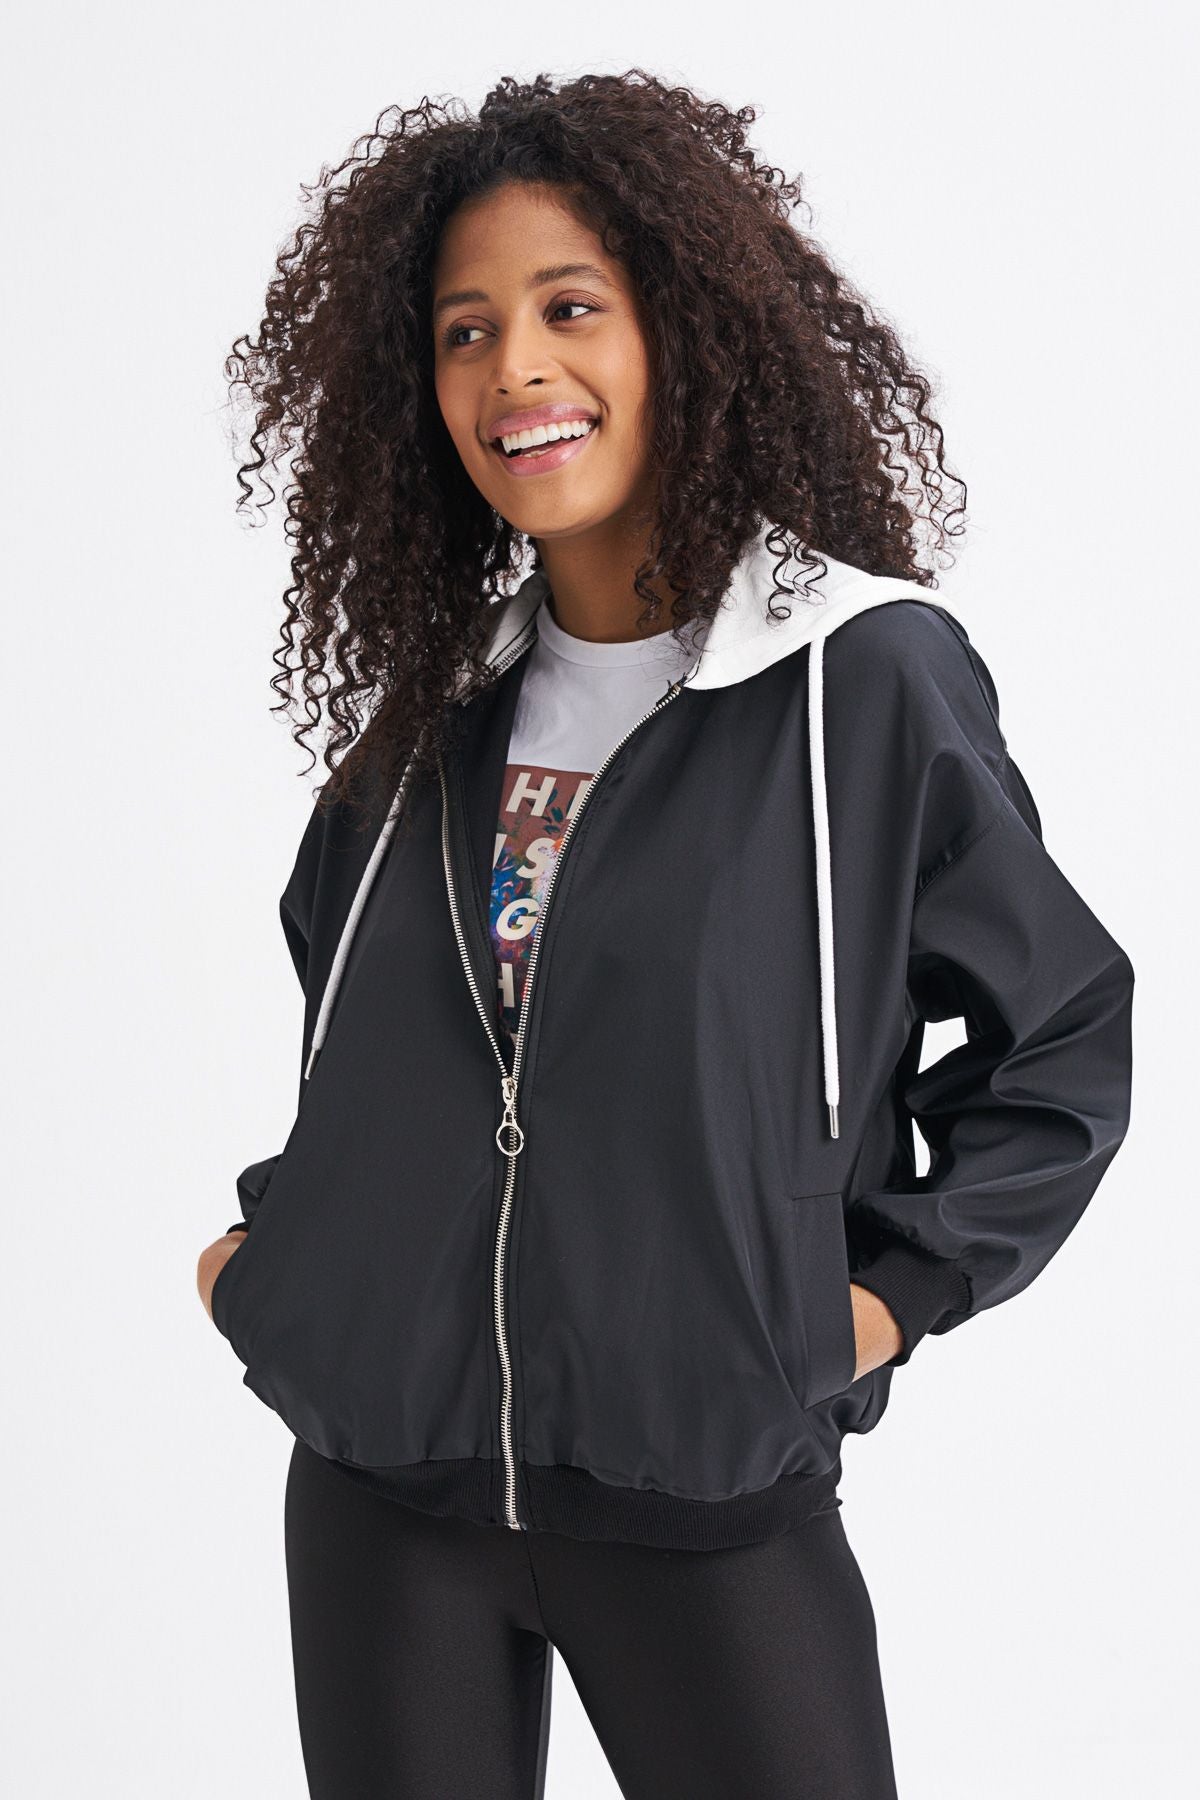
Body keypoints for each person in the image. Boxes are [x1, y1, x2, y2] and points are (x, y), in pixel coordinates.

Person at [196, 70, 1135, 1800]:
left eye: (571, 309)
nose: (514, 370)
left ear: (684, 332)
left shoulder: (859, 678)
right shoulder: (438, 706)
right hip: (381, 1492)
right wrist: (286, 1269)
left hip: (702, 1491)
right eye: (465, 330)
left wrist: (870, 1303)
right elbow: (355, 1020)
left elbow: (1060, 1036)